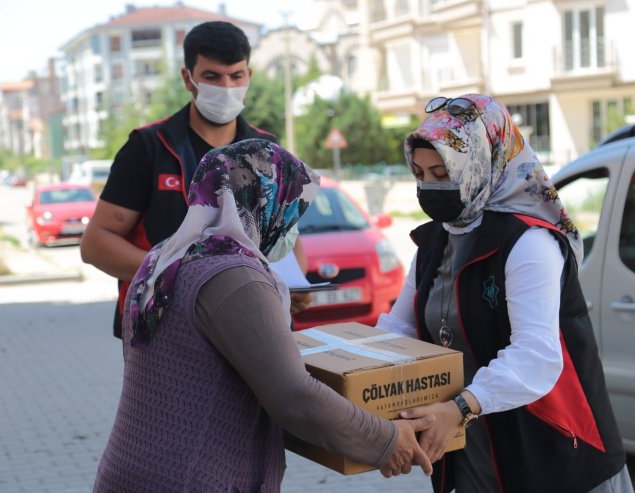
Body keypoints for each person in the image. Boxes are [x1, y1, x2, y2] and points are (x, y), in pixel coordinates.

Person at [93, 139, 434, 491]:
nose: (291, 229)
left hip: (135, 469)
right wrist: (387, 441)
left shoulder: (165, 257)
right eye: (292, 212)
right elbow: (294, 397)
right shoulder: (232, 275)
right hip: (191, 479)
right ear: (267, 201)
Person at [376, 94, 633, 493]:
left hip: (553, 454)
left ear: (481, 164)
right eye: (421, 174)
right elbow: (401, 327)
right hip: (476, 450)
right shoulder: (433, 243)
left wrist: (459, 408)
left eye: (443, 174)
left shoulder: (528, 242)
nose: (429, 187)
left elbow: (536, 355)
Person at [80, 21, 310, 339]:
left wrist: (294, 283)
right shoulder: (149, 147)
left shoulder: (266, 150)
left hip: (249, 323)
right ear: (188, 79)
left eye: (236, 76)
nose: (227, 87)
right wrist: (179, 274)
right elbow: (95, 244)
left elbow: (286, 237)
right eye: (212, 77)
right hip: (164, 327)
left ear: (249, 76)